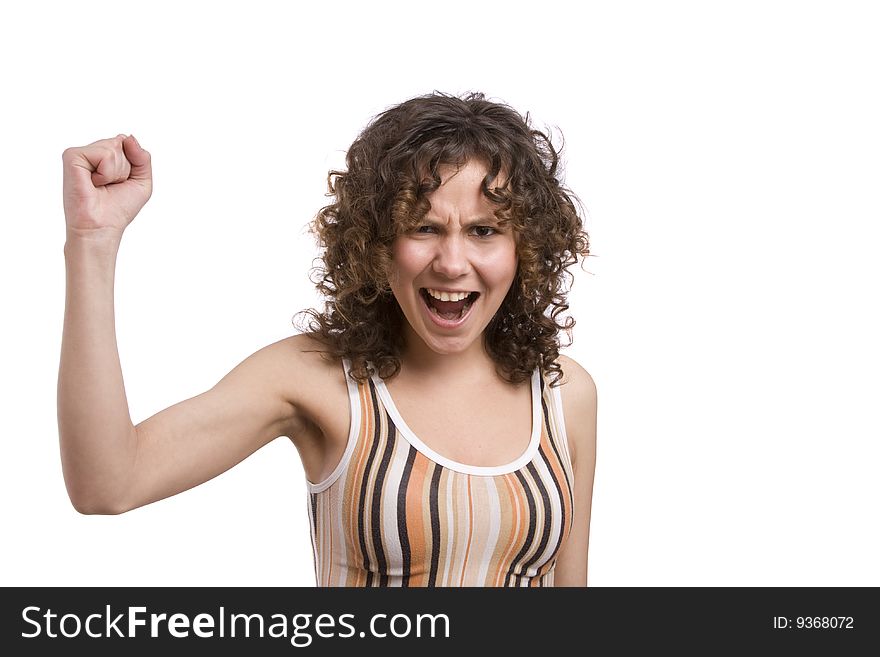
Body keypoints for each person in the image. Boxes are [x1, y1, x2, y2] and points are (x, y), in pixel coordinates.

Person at [58, 91, 597, 587]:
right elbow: (109, 483)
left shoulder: (563, 393)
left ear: (524, 247)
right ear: (377, 241)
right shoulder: (314, 378)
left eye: (484, 230)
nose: (453, 263)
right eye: (424, 228)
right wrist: (92, 242)